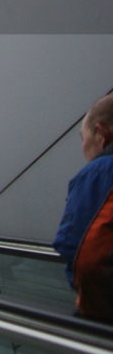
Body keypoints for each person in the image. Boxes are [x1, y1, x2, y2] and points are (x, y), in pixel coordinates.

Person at [54, 93, 113, 319]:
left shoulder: (99, 173)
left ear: (101, 133)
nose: (82, 148)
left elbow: (78, 248)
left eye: (83, 138)